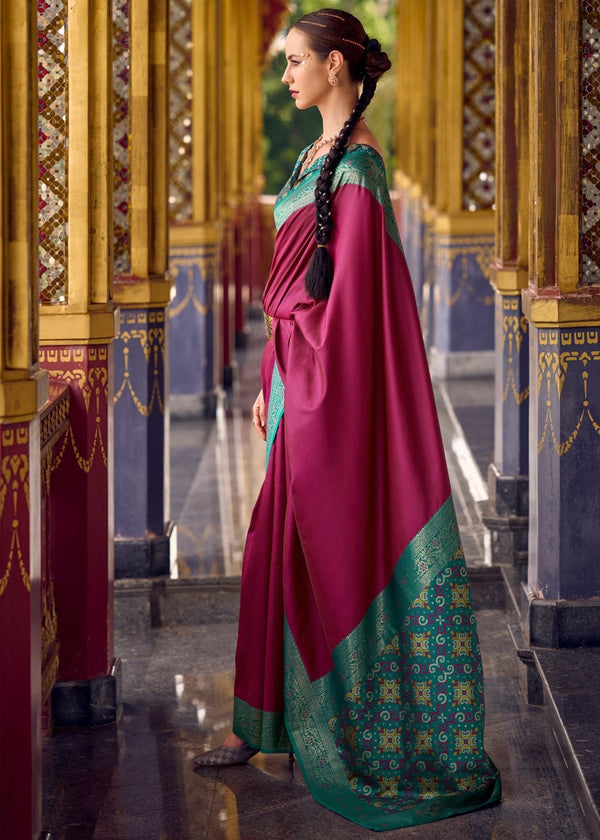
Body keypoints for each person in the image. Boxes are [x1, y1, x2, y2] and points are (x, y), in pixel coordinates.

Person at [194, 7, 501, 830]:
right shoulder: (312, 155)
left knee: (303, 545)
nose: (285, 74)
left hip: (320, 388)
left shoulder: (359, 169)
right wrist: (273, 374)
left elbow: (352, 310)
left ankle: (324, 725)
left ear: (337, 66)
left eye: (295, 61)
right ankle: (263, 724)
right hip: (293, 383)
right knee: (269, 543)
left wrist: (294, 361)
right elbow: (302, 289)